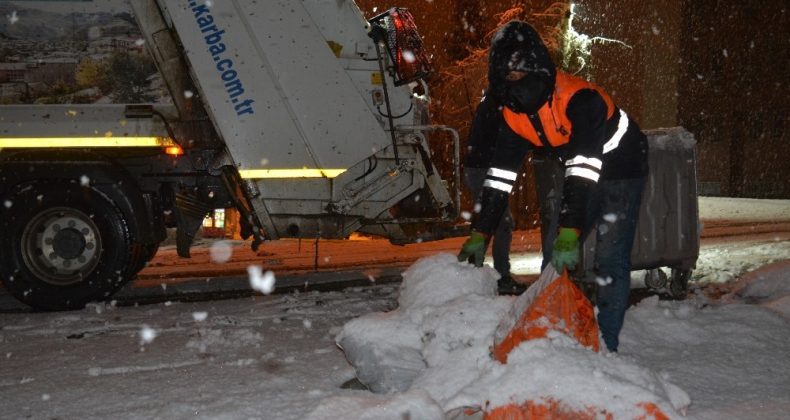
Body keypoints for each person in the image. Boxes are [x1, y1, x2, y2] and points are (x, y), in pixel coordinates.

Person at [457, 20, 648, 353]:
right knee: (553, 257)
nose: (514, 84)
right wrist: (480, 232)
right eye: (507, 76)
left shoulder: (579, 100)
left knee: (610, 257)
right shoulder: (514, 114)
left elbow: (583, 168)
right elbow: (501, 175)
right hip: (582, 170)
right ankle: (550, 335)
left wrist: (571, 231)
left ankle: (606, 344)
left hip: (622, 166)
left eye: (519, 74)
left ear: (538, 70)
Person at [462, 95, 525, 295]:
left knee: (490, 219)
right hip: (485, 168)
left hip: (480, 167)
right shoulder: (502, 105)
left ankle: (475, 269)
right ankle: (496, 275)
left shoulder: (492, 103)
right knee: (500, 221)